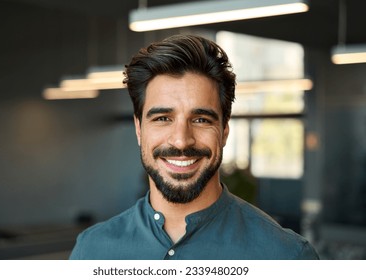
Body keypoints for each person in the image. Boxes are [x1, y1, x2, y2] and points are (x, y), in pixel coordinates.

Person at [69, 34, 319, 260]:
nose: (181, 141)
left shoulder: (287, 256)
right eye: (162, 118)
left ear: (224, 131)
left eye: (201, 120)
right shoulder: (91, 251)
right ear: (138, 129)